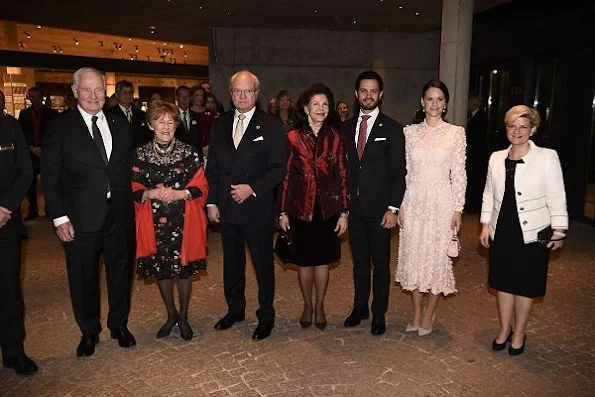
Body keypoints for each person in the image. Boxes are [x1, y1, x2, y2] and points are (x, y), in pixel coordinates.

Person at [41, 67, 137, 358]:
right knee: (83, 276)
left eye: (98, 90)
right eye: (87, 90)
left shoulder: (120, 125)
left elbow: (129, 168)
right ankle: (89, 331)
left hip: (119, 214)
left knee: (121, 272)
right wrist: (59, 217)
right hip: (80, 218)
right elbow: (50, 176)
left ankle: (118, 324)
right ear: (74, 92)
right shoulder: (60, 128)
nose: (94, 96)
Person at [479, 105, 568, 355]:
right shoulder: (496, 157)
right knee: (504, 283)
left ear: (533, 129)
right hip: (503, 228)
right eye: (511, 126)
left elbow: (557, 195)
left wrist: (559, 230)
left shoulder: (547, 157)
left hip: (532, 232)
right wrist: (486, 224)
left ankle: (519, 333)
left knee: (525, 284)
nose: (517, 131)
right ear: (506, 128)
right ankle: (505, 329)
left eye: (523, 126)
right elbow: (488, 193)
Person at [206, 70, 286, 340]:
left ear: (257, 93)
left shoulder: (272, 125)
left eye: (248, 91)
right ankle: (235, 309)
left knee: (263, 264)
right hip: (227, 207)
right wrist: (212, 202)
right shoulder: (219, 125)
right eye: (237, 91)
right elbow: (213, 168)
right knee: (232, 262)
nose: (243, 96)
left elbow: (279, 169)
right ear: (230, 94)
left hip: (257, 207)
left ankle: (266, 315)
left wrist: (252, 188)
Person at [131, 100, 209, 341]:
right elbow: (132, 187)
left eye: (170, 121)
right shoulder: (139, 154)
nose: (165, 126)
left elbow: (202, 186)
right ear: (150, 124)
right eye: (160, 121)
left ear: (177, 124)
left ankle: (184, 317)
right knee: (162, 271)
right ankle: (171, 314)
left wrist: (180, 193)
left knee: (183, 271)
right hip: (153, 222)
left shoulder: (189, 152)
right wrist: (149, 193)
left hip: (184, 220)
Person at [395, 79, 467, 337]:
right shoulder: (409, 133)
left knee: (437, 259)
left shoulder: (456, 133)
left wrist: (457, 208)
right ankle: (416, 311)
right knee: (414, 257)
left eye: (439, 99)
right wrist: (400, 205)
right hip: (414, 201)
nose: (434, 104)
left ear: (445, 103)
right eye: (429, 99)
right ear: (422, 103)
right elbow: (405, 173)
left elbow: (459, 174)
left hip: (441, 203)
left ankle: (429, 313)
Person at [278, 83, 349, 330]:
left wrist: (344, 212)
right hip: (300, 207)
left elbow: (342, 175)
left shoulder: (336, 137)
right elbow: (285, 176)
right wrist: (283, 211)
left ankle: (320, 306)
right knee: (305, 261)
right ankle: (307, 305)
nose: (321, 108)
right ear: (306, 107)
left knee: (323, 261)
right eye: (315, 104)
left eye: (325, 104)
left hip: (328, 209)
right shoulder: (292, 138)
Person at [341, 71, 406, 336]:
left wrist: (393, 208)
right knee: (358, 264)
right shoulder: (344, 129)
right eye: (363, 91)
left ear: (380, 94)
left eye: (373, 91)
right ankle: (360, 308)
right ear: (356, 95)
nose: (368, 95)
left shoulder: (392, 128)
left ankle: (379, 313)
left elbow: (399, 174)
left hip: (381, 212)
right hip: (354, 210)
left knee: (380, 264)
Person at [0, 90, 38, 375]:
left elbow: (25, 170)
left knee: (9, 290)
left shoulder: (9, 126)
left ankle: (14, 351)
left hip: (5, 220)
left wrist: (5, 206)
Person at [18, 86, 59, 220]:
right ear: (29, 98)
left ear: (42, 98)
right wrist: (30, 147)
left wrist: (44, 148)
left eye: (38, 97)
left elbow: (54, 134)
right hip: (30, 153)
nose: (35, 99)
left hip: (46, 153)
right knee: (30, 183)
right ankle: (33, 209)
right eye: (33, 97)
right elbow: (21, 133)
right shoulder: (24, 114)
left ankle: (49, 208)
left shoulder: (52, 114)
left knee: (48, 182)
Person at [106, 80, 152, 148]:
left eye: (130, 92)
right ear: (117, 94)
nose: (128, 95)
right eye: (124, 92)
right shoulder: (109, 114)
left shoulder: (141, 114)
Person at [466, 95, 489, 213]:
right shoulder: (474, 117)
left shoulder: (480, 118)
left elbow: (478, 139)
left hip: (476, 156)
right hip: (474, 156)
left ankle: (473, 206)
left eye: (470, 102)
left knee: (475, 181)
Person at [174, 85, 203, 154]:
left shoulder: (196, 116)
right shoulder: (172, 116)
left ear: (190, 98)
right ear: (176, 98)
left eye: (187, 96)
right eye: (181, 96)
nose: (184, 99)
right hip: (177, 154)